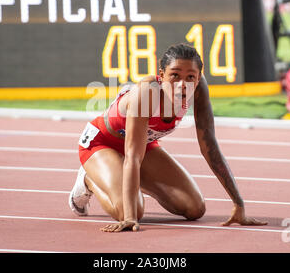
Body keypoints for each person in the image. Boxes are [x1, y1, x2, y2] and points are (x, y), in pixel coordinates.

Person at [69, 43, 267, 232]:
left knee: (195, 208)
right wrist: (129, 218)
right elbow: (133, 157)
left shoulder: (198, 89)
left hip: (141, 144)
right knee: (133, 211)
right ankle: (88, 179)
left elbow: (210, 148)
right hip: (102, 144)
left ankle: (119, 179)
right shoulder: (146, 92)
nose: (183, 84)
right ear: (161, 75)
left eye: (191, 77)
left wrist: (238, 204)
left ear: (199, 78)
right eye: (174, 76)